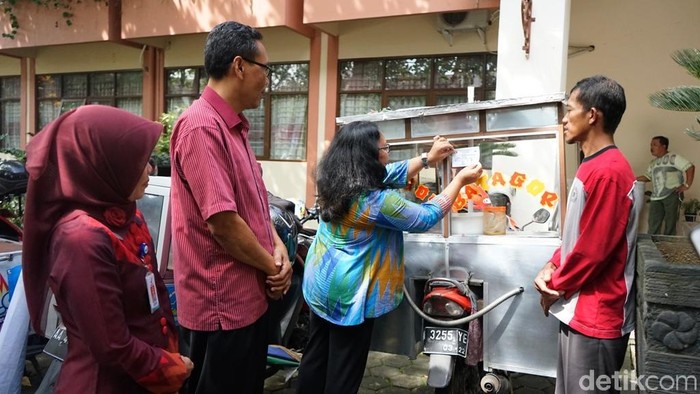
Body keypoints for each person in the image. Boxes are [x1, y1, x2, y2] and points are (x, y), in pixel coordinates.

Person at [296, 121, 483, 393]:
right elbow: (425, 217)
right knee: (344, 368)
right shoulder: (376, 201)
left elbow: (388, 173)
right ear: (369, 157)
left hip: (321, 283)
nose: (389, 152)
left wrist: (426, 159)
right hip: (350, 294)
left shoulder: (333, 177)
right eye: (386, 148)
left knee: (316, 354)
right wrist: (458, 181)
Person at [21, 105, 193, 393]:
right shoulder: (81, 238)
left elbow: (154, 298)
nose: (150, 169)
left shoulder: (124, 214)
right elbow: (111, 344)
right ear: (105, 163)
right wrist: (170, 368)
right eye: (138, 161)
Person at [169, 21, 292, 394]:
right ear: (239, 66)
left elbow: (253, 202)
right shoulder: (201, 127)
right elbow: (223, 222)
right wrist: (272, 266)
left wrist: (278, 246)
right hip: (220, 306)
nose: (267, 79)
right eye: (265, 68)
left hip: (247, 299)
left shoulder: (234, 127)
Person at [534, 76, 641, 394]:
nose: (564, 119)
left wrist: (554, 286)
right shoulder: (591, 165)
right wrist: (552, 264)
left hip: (597, 315)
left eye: (570, 110)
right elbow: (579, 234)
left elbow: (593, 251)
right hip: (578, 309)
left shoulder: (608, 172)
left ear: (592, 115)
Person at [636, 136, 694, 235]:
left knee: (670, 224)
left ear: (663, 146)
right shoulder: (653, 163)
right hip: (656, 197)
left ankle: (668, 247)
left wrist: (687, 185)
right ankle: (652, 247)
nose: (651, 147)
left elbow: (690, 167)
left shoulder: (673, 157)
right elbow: (647, 177)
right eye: (651, 145)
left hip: (672, 194)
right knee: (653, 223)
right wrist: (632, 178)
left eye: (654, 145)